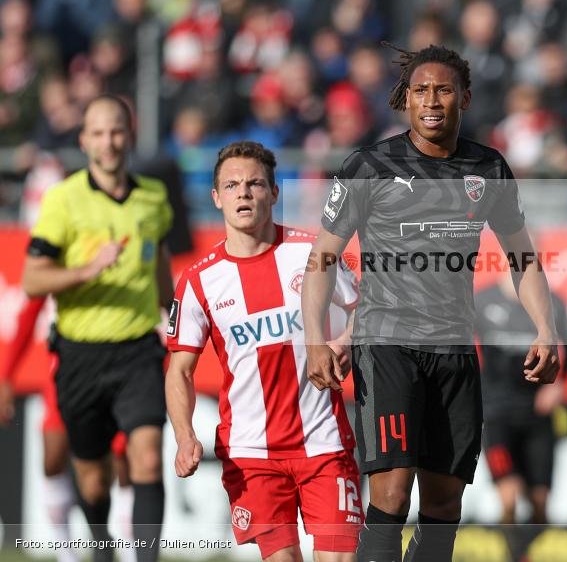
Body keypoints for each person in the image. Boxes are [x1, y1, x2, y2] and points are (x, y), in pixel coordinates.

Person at [301, 43, 562, 562]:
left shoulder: (487, 167)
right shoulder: (369, 165)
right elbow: (322, 259)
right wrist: (315, 339)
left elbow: (522, 258)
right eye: (421, 90)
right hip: (386, 346)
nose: (432, 100)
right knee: (393, 493)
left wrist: (546, 329)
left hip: (455, 352)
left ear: (464, 95)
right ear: (405, 99)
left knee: (444, 503)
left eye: (444, 89)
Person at [165, 141, 362, 562]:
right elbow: (178, 370)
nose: (244, 193)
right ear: (216, 197)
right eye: (232, 185)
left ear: (274, 193)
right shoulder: (199, 280)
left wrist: (345, 344)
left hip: (323, 442)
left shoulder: (313, 252)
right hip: (251, 454)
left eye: (255, 183)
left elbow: (367, 308)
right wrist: (184, 437)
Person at [20, 94, 173, 562]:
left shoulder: (153, 197)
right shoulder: (62, 200)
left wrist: (176, 317)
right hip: (81, 354)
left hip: (139, 350)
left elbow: (161, 263)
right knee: (92, 476)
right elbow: (31, 280)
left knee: (147, 458)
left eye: (117, 131)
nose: (109, 142)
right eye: (99, 133)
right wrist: (85, 271)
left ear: (129, 135)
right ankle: (102, 551)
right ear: (84, 140)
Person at [0, 296, 136, 562]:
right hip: (68, 371)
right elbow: (29, 313)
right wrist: (7, 377)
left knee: (122, 460)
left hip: (118, 369)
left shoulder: (119, 260)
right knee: (53, 458)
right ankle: (67, 552)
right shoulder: (60, 259)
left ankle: (131, 550)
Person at [474, 274, 567, 561]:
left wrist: (562, 384)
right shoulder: (483, 299)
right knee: (509, 497)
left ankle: (519, 550)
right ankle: (514, 555)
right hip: (497, 414)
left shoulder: (553, 303)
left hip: (537, 415)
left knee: (540, 509)